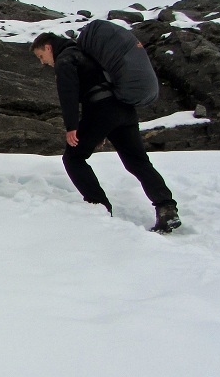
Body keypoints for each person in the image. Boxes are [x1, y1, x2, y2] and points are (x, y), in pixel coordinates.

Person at [31, 32, 181, 232]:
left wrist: (71, 127)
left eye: (41, 56)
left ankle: (98, 207)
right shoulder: (87, 54)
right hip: (125, 109)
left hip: (101, 110)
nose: (43, 62)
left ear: (48, 47)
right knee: (137, 161)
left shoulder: (65, 59)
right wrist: (99, 131)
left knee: (73, 158)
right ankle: (166, 207)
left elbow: (69, 94)